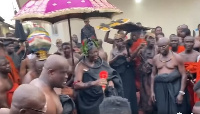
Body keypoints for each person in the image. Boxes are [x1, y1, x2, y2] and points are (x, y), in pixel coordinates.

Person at [74, 38, 123, 114]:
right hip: (88, 101)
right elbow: (76, 85)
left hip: (102, 97)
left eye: (96, 51)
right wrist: (94, 83)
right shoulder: (80, 66)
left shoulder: (101, 62)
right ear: (86, 53)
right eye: (92, 53)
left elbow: (111, 74)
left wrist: (110, 81)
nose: (96, 54)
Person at [151, 37, 189, 114]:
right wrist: (152, 92)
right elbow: (153, 75)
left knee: (175, 110)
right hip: (160, 88)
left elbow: (184, 75)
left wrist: (181, 93)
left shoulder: (177, 57)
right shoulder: (156, 58)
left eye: (163, 46)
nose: (161, 48)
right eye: (159, 46)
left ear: (169, 45)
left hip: (175, 87)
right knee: (162, 110)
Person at [109, 33, 145, 114]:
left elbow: (131, 58)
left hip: (127, 73)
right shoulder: (113, 51)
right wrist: (118, 56)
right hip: (117, 73)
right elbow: (110, 62)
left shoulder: (127, 49)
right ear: (115, 42)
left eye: (121, 41)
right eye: (117, 41)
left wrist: (138, 48)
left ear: (123, 41)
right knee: (119, 92)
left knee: (128, 93)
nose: (119, 43)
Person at [137, 33, 157, 114]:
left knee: (153, 93)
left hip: (154, 74)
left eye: (153, 38)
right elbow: (138, 58)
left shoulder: (157, 49)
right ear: (146, 39)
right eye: (150, 38)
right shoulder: (142, 50)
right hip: (145, 75)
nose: (152, 40)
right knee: (145, 93)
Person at [179, 36, 200, 106]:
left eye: (191, 42)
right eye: (187, 42)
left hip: (194, 83)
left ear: (194, 43)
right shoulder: (179, 56)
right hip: (181, 83)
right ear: (183, 43)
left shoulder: (198, 55)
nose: (189, 44)